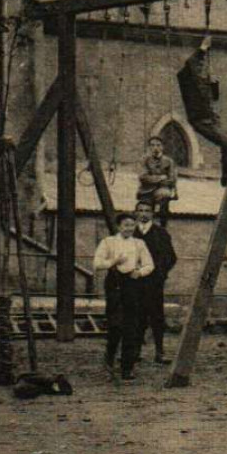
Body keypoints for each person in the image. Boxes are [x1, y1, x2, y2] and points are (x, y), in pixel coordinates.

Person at [94, 212, 154, 382]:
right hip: (114, 283)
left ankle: (127, 367)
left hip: (132, 284)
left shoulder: (139, 243)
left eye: (131, 225)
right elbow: (97, 263)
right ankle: (109, 361)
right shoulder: (108, 242)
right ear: (118, 226)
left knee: (131, 326)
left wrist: (139, 272)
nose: (129, 228)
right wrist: (113, 261)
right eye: (125, 225)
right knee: (115, 324)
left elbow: (150, 264)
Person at [176, 36, 227, 186]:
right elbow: (191, 63)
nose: (202, 67)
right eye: (200, 64)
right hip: (201, 120)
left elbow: (214, 98)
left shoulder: (202, 81)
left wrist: (214, 83)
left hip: (212, 119)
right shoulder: (187, 79)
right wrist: (203, 48)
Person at [132, 199, 176, 365]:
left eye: (147, 210)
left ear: (152, 213)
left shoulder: (160, 233)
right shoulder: (130, 232)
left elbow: (171, 257)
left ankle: (160, 351)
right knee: (136, 316)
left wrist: (160, 274)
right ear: (135, 213)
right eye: (140, 210)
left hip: (154, 283)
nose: (143, 214)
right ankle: (135, 351)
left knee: (156, 316)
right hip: (134, 282)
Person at [135, 136, 178, 224]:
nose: (155, 147)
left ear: (162, 147)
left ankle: (162, 228)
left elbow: (172, 179)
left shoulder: (169, 161)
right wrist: (161, 177)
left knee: (164, 205)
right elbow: (143, 177)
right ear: (149, 147)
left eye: (158, 145)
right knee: (144, 213)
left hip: (163, 190)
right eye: (152, 145)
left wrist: (154, 179)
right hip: (146, 191)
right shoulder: (144, 160)